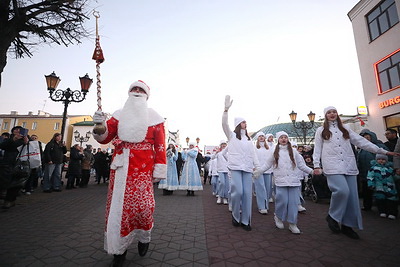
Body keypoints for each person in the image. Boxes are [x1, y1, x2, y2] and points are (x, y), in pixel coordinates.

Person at [92, 80, 166, 266]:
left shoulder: (155, 118)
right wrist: (99, 124)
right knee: (118, 210)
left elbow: (160, 146)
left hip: (143, 170)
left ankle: (144, 237)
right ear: (128, 93)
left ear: (146, 95)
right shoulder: (118, 115)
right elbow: (104, 137)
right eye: (133, 89)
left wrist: (159, 168)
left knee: (144, 208)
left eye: (141, 90)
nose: (136, 91)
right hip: (121, 168)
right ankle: (119, 250)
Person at [313, 106, 399, 240]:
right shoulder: (321, 130)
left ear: (337, 114)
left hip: (349, 165)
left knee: (352, 197)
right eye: (329, 112)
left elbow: (361, 142)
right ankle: (333, 216)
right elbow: (317, 148)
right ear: (325, 115)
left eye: (334, 111)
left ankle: (348, 225)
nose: (332, 114)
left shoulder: (346, 129)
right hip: (332, 165)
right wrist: (316, 165)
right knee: (342, 191)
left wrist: (383, 152)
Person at [255, 131, 314, 234]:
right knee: (282, 201)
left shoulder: (294, 151)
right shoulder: (274, 151)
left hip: (293, 181)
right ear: (278, 140)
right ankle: (278, 217)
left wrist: (312, 171)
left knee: (293, 203)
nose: (283, 139)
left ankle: (292, 223)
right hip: (281, 181)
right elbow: (267, 164)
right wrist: (259, 171)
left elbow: (301, 165)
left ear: (288, 139)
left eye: (285, 137)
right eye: (281, 137)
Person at [222, 95, 260, 231]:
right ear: (238, 124)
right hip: (236, 167)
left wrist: (258, 168)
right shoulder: (231, 136)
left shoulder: (249, 139)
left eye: (246, 122)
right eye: (243, 122)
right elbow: (224, 125)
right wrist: (225, 110)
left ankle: (246, 220)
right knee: (238, 192)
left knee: (247, 194)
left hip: (248, 168)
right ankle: (235, 215)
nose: (245, 123)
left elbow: (253, 153)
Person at [356, 129, 388, 211]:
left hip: (377, 173)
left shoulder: (379, 146)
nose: (366, 139)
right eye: (364, 137)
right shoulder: (362, 148)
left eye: (367, 137)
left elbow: (386, 157)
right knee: (366, 190)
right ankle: (367, 206)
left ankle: (383, 207)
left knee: (380, 189)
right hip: (364, 173)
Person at [0, 126, 29, 209]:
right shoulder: (8, 139)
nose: (18, 131)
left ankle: (9, 201)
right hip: (7, 163)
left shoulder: (24, 140)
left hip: (20, 164)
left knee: (16, 183)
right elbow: (2, 146)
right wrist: (13, 139)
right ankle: (5, 197)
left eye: (20, 130)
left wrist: (26, 142)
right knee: (5, 181)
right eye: (16, 130)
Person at [367, 154, 398, 219]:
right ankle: (382, 211)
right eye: (379, 159)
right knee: (380, 199)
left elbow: (394, 176)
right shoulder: (373, 168)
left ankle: (392, 212)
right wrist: (371, 184)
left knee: (391, 200)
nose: (381, 161)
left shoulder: (389, 168)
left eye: (383, 159)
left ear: (386, 160)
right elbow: (370, 176)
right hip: (379, 187)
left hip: (390, 187)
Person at [253, 132, 273, 214]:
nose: (261, 138)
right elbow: (252, 157)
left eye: (262, 136)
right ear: (257, 138)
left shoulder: (269, 148)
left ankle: (266, 205)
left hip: (267, 170)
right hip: (258, 170)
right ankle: (261, 206)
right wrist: (253, 167)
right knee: (260, 188)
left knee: (268, 188)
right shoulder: (255, 148)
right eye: (260, 136)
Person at [212, 140, 229, 205]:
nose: (223, 145)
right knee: (222, 183)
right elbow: (212, 158)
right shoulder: (219, 153)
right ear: (220, 145)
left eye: (224, 144)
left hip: (227, 170)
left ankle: (225, 197)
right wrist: (216, 153)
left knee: (227, 185)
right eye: (222, 144)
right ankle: (219, 196)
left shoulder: (228, 152)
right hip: (220, 170)